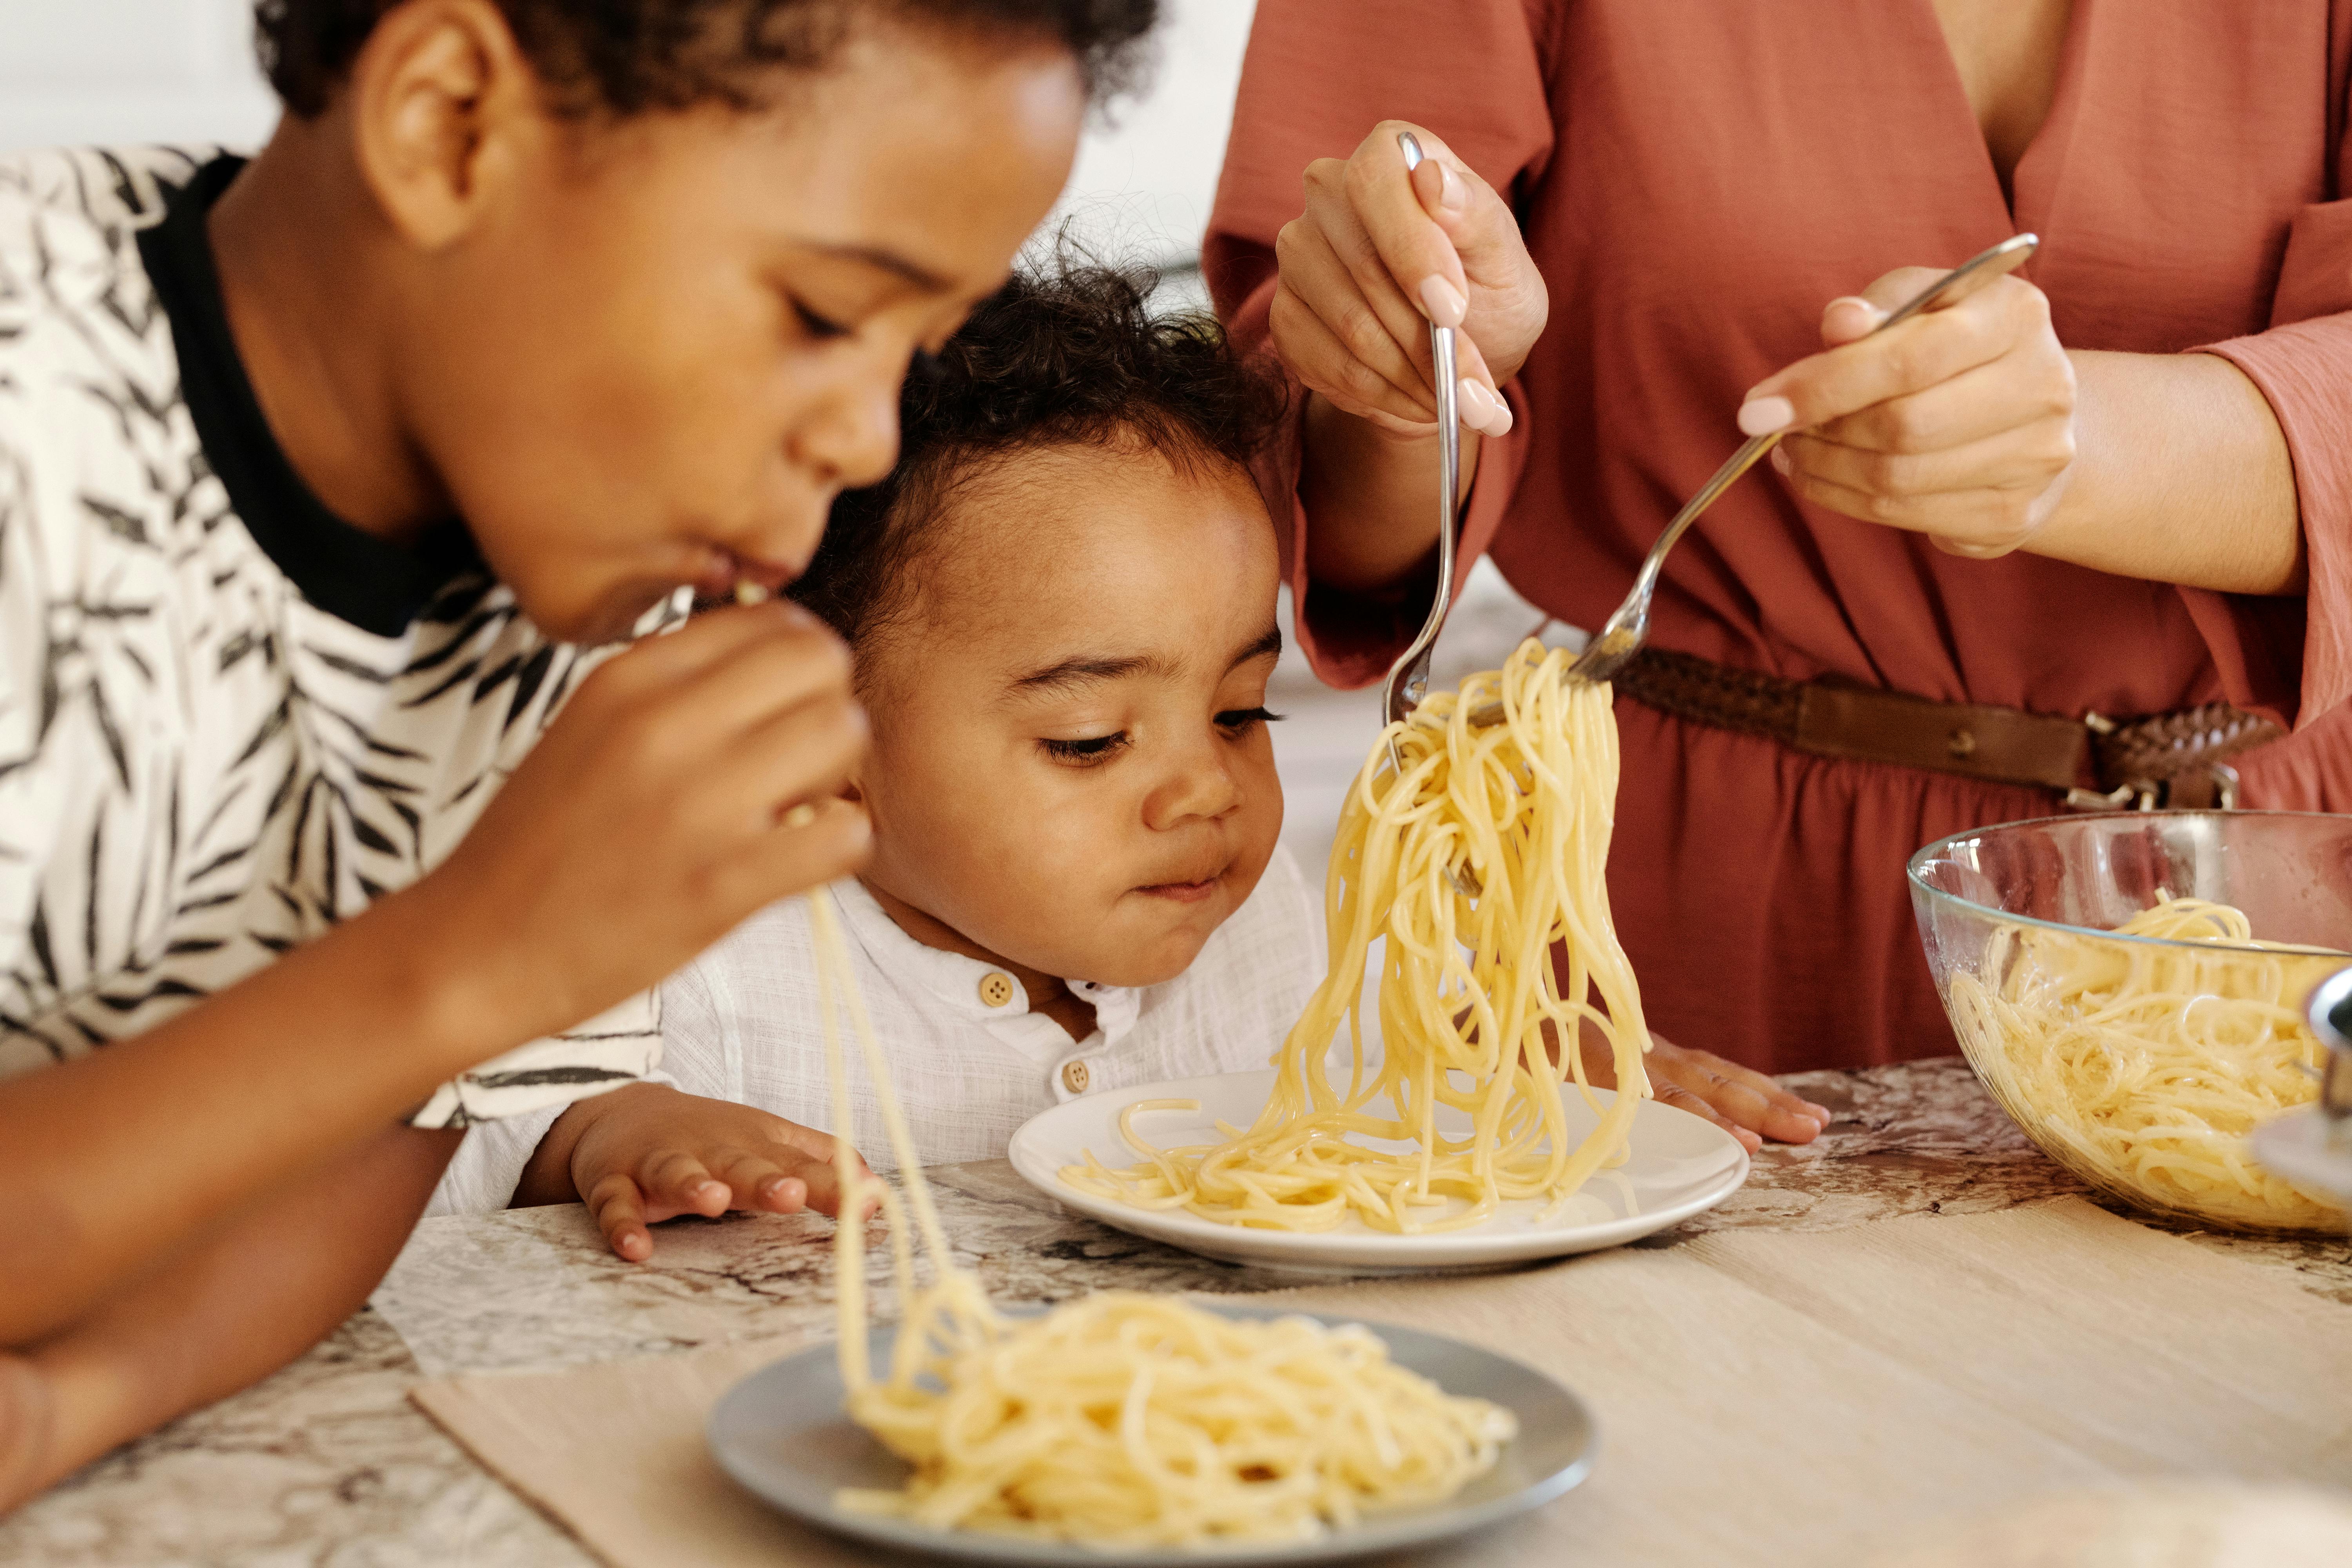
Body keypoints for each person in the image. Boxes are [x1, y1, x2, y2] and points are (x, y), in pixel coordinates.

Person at [0, 0, 1154, 1514]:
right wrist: (477, 955)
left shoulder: (584, 541)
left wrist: (71, 1402)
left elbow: (378, 1158)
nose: (872, 443)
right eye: (820, 313)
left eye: (913, 348)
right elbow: (437, 1013)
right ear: (448, 125)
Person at [1203, 0, 2352, 1094]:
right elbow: (1337, 522)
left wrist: (2096, 446)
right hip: (1690, 935)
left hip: (2287, 892)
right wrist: (1411, 369)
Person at [433, 263, 1325, 1254]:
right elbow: (479, 1134)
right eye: (1091, 739)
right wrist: (609, 1131)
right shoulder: (694, 932)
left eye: (1242, 712)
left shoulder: (1252, 920)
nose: (1207, 787)